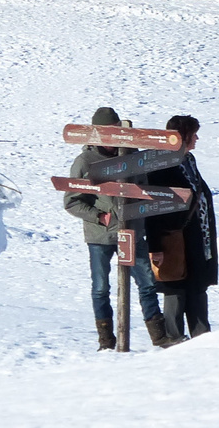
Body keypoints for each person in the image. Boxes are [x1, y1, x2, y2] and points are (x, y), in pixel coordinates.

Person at [64, 106, 176, 350]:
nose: (111, 135)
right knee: (100, 288)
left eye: (114, 130)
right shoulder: (85, 161)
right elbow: (71, 201)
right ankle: (106, 342)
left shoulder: (132, 157)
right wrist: (99, 216)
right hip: (100, 236)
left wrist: (139, 213)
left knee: (146, 284)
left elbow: (145, 193)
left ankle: (159, 337)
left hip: (132, 232)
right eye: (106, 130)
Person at [146, 113, 217, 339]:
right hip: (172, 238)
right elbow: (152, 208)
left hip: (197, 237)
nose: (196, 138)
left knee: (197, 287)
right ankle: (174, 340)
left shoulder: (188, 160)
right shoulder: (161, 164)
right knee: (174, 288)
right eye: (193, 134)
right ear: (182, 136)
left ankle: (201, 337)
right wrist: (155, 245)